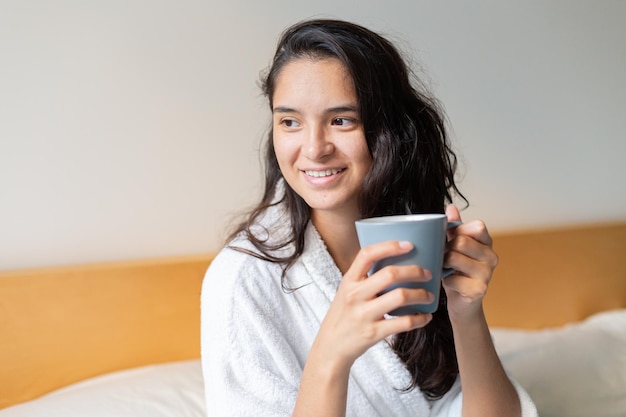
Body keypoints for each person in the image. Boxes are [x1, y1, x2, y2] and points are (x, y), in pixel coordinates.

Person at [200, 18, 537, 417]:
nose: (313, 149)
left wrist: (466, 313)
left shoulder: (421, 244)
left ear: (390, 131)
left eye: (342, 120)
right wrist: (331, 356)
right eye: (289, 122)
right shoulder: (242, 281)